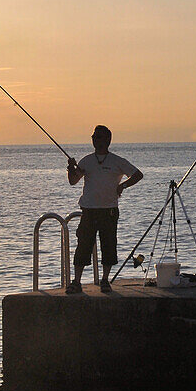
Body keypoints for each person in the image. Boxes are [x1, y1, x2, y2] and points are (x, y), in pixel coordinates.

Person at [66, 125, 143, 293]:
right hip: (89, 210)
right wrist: (71, 167)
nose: (95, 139)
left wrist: (123, 186)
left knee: (108, 245)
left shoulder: (117, 161)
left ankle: (105, 280)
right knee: (83, 245)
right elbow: (73, 181)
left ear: (108, 140)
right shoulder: (86, 161)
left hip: (109, 210)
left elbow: (138, 175)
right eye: (94, 136)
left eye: (99, 137)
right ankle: (76, 282)